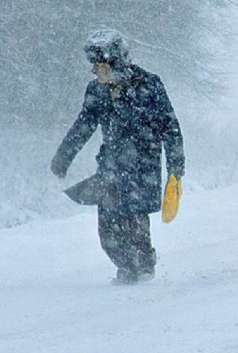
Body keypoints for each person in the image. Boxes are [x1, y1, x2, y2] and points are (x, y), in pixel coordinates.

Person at [50, 28, 185, 285]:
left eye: (103, 67)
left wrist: (175, 167)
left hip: (142, 167)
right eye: (95, 68)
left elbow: (171, 127)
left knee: (134, 221)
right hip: (110, 167)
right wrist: (63, 156)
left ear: (118, 62)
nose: (98, 72)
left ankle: (143, 266)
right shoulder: (96, 91)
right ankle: (125, 266)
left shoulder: (149, 85)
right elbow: (84, 125)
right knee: (108, 229)